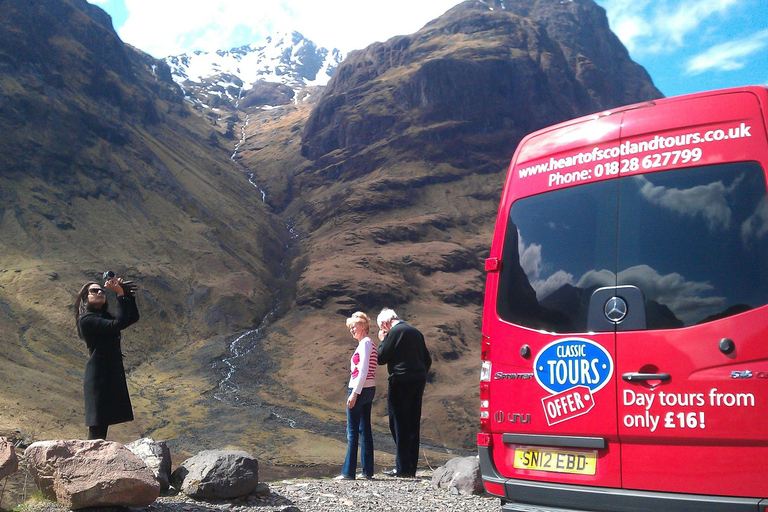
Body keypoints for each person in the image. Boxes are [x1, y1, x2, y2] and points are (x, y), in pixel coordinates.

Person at [74, 273, 139, 440]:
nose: (100, 292)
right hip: (98, 376)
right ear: (85, 298)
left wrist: (126, 294)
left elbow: (131, 318)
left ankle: (94, 459)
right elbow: (118, 324)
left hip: (107, 373)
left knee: (102, 424)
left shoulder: (103, 316)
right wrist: (120, 295)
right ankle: (91, 460)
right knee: (97, 426)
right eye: (94, 291)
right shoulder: (87, 320)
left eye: (102, 290)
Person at [376, 308, 431, 478]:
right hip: (418, 381)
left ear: (385, 323)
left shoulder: (394, 332)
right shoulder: (416, 332)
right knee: (413, 423)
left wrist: (382, 340)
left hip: (400, 381)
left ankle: (401, 468)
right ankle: (411, 468)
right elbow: (427, 359)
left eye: (382, 328)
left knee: (398, 424)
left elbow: (380, 357)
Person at [337, 311, 378, 480]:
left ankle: (348, 472)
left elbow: (363, 370)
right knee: (365, 429)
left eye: (354, 326)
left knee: (352, 431)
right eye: (350, 328)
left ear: (363, 325)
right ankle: (367, 471)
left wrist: (354, 393)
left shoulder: (365, 344)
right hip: (368, 389)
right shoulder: (369, 343)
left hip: (359, 389)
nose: (352, 330)